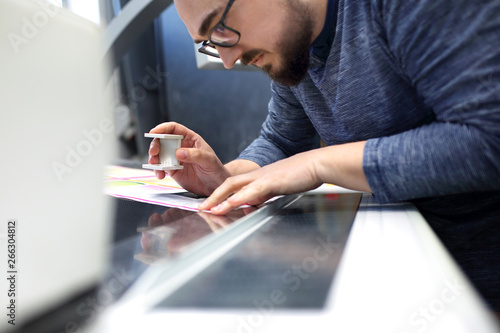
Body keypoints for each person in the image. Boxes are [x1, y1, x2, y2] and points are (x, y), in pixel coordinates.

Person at [148, 0, 500, 315]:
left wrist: (320, 162)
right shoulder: (295, 45)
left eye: (219, 26)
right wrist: (229, 178)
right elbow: (283, 140)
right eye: (210, 42)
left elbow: (487, 140)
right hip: (401, 272)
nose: (227, 60)